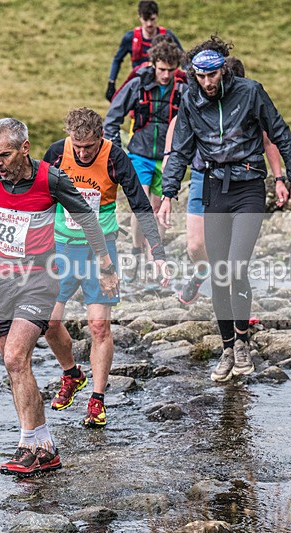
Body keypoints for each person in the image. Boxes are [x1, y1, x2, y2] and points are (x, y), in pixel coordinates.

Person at [0, 118, 116, 476]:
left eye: (4, 154)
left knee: (17, 357)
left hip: (39, 279)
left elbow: (88, 219)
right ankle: (43, 447)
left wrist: (106, 264)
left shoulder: (51, 178)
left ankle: (27, 442)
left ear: (24, 148)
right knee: (14, 366)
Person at [158, 36, 291, 383]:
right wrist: (167, 195)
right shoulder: (191, 100)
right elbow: (180, 150)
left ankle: (243, 342)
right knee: (220, 273)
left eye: (212, 75)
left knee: (237, 266)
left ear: (223, 70)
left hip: (249, 188)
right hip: (214, 190)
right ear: (194, 74)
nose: (207, 83)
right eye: (200, 76)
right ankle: (228, 349)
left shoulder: (250, 92)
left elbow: (280, 133)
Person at [43, 108, 167, 428]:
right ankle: (72, 374)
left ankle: (97, 399)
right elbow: (40, 200)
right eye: (78, 146)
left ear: (101, 138)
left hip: (103, 252)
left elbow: (140, 204)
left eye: (89, 146)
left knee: (98, 327)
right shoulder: (57, 153)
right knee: (48, 322)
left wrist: (157, 250)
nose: (82, 153)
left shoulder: (115, 157)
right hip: (62, 247)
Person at [170, 56, 289, 305]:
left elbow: (270, 140)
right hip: (205, 176)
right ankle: (204, 272)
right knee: (195, 246)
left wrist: (280, 179)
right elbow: (176, 137)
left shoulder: (249, 102)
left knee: (233, 258)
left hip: (241, 180)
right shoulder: (197, 102)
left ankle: (238, 310)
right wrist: (168, 188)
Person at [104, 39, 187, 277]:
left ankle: (155, 259)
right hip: (139, 154)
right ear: (153, 64)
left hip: (168, 157)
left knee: (159, 207)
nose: (165, 75)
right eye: (162, 69)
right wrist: (117, 152)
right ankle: (135, 250)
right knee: (140, 206)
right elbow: (112, 118)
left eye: (171, 70)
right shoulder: (138, 85)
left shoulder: (183, 89)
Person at [105, 0, 182, 102]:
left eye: (152, 19)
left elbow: (183, 58)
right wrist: (111, 82)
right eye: (145, 20)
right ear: (140, 18)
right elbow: (117, 60)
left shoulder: (167, 36)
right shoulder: (130, 38)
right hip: (140, 85)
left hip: (164, 85)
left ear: (157, 16)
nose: (149, 24)